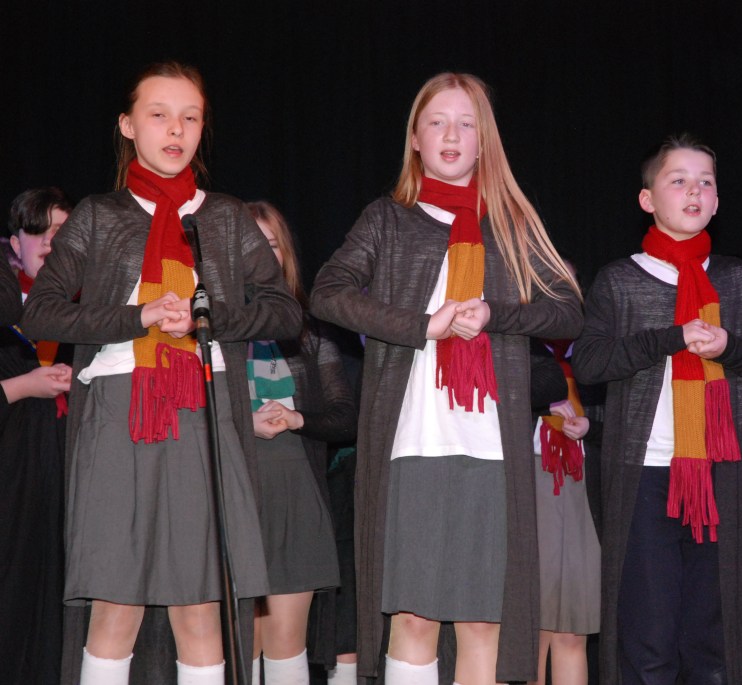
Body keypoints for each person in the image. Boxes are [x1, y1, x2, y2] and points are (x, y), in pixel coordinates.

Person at [20, 61, 302, 685]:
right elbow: (41, 310)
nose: (176, 129)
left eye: (190, 117)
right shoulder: (97, 214)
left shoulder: (223, 216)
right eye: (159, 115)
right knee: (115, 606)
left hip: (203, 411)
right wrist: (138, 316)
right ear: (127, 125)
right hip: (119, 415)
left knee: (200, 608)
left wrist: (207, 318)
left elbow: (285, 311)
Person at [309, 72, 583, 685]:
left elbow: (569, 311)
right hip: (414, 443)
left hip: (492, 448)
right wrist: (421, 326)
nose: (451, 135)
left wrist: (496, 314)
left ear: (484, 141)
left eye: (465, 124)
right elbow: (327, 292)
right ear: (416, 138)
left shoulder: (512, 223)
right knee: (413, 617)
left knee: (482, 623)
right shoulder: (387, 219)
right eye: (437, 122)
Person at [572, 133, 742, 685]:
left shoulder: (735, 279)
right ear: (647, 199)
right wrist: (671, 338)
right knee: (649, 637)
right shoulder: (620, 279)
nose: (693, 192)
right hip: (647, 474)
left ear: (717, 201)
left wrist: (730, 347)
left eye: (705, 182)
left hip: (723, 472)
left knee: (713, 638)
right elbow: (591, 363)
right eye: (678, 181)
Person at [246, 201, 357, 684]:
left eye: (271, 245)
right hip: (234, 491)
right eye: (250, 245)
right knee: (235, 643)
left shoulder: (309, 331)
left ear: (285, 254)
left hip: (295, 492)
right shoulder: (205, 328)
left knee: (286, 644)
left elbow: (345, 416)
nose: (261, 255)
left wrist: (297, 417)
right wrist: (242, 422)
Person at [0, 187, 75, 684]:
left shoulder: (88, 315)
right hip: (11, 487)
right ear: (14, 244)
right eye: (38, 232)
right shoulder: (4, 313)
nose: (49, 243)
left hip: (67, 484)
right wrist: (26, 385)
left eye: (61, 233)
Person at [529, 337, 601, 685]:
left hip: (584, 485)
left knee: (573, 630)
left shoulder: (591, 347)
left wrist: (591, 428)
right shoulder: (520, 341)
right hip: (531, 475)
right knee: (534, 628)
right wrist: (542, 402)